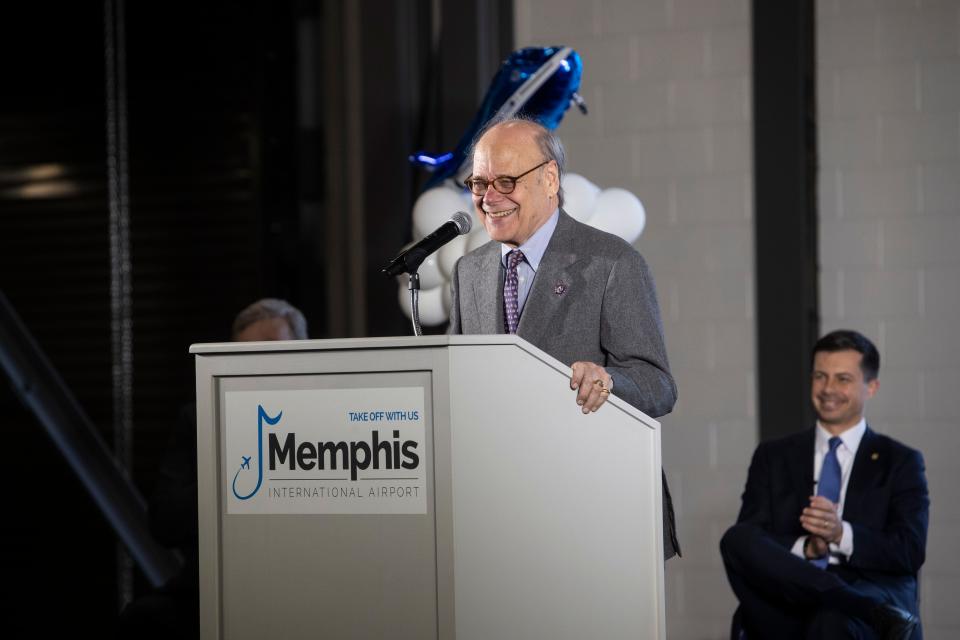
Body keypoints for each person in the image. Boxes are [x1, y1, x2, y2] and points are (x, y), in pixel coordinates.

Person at [448, 116, 680, 558]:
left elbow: (659, 385)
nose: (488, 197)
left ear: (549, 178)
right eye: (478, 183)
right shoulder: (470, 271)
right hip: (503, 516)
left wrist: (609, 382)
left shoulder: (611, 262)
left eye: (505, 181)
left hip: (598, 513)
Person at [118, 298, 307, 639]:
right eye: (246, 358)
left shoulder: (323, 421)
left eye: (273, 352)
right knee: (144, 620)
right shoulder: (200, 418)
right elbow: (164, 522)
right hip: (215, 584)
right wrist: (231, 476)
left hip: (302, 580)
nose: (260, 367)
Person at [721, 330, 928, 640]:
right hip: (790, 597)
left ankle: (854, 606)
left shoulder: (900, 461)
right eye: (820, 376)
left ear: (871, 387)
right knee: (736, 538)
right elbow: (754, 542)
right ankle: (861, 606)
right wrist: (808, 547)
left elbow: (909, 552)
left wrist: (839, 534)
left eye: (843, 379)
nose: (828, 388)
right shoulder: (773, 455)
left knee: (830, 621)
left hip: (865, 593)